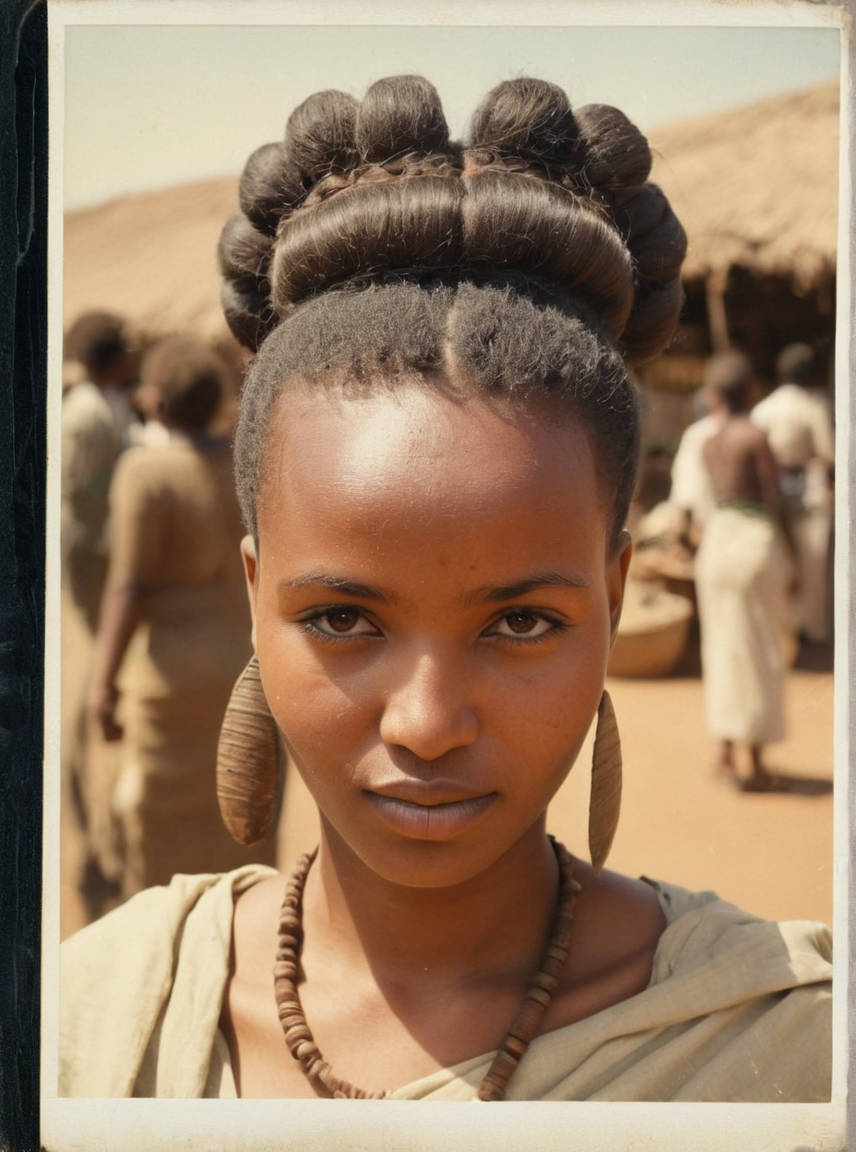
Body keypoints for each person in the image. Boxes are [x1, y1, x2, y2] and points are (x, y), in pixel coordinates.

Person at [60, 77, 831, 1102]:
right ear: (255, 593)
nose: (427, 726)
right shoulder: (88, 1025)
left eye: (521, 621)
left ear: (614, 594)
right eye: (341, 618)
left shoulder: (794, 1054)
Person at [86, 335, 278, 897]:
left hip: (170, 685)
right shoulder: (249, 463)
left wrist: (102, 685)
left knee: (158, 846)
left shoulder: (146, 473)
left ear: (157, 404)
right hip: (252, 676)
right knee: (244, 826)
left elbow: (128, 585)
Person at [694, 351, 797, 791]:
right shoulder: (755, 437)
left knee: (721, 647)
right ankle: (753, 762)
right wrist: (793, 554)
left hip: (718, 542)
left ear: (716, 396)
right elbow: (774, 500)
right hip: (754, 542)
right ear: (750, 392)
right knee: (758, 648)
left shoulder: (708, 442)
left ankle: (724, 752)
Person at [752, 342, 835, 643]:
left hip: (771, 493)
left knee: (781, 560)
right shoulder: (812, 406)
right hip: (808, 492)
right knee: (813, 562)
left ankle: (784, 627)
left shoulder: (764, 408)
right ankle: (813, 630)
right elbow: (828, 452)